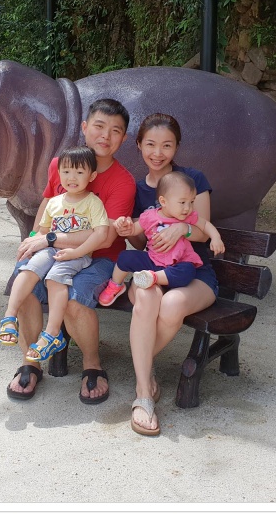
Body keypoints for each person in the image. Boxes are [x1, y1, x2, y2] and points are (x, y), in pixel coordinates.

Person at [5, 98, 136, 402]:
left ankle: (92, 365)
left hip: (102, 257)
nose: (106, 135)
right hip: (53, 248)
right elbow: (47, 204)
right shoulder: (61, 163)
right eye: (99, 126)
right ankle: (31, 361)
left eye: (115, 130)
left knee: (76, 297)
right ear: (85, 128)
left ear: (123, 138)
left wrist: (49, 240)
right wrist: (35, 237)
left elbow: (103, 237)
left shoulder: (123, 182)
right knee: (25, 282)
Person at [118, 113, 221, 436]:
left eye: (166, 145)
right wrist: (130, 228)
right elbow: (138, 239)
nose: (158, 152)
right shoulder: (137, 189)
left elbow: (203, 232)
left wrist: (179, 229)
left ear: (177, 147)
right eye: (150, 144)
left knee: (173, 304)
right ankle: (144, 395)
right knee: (147, 299)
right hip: (150, 268)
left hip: (194, 272)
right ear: (138, 146)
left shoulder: (192, 180)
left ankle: (141, 373)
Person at [0, 146, 109, 362]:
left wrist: (76, 252)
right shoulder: (55, 202)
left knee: (55, 279)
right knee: (27, 270)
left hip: (77, 254)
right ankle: (9, 318)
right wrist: (32, 241)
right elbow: (43, 231)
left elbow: (100, 234)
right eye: (66, 172)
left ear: (92, 175)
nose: (71, 177)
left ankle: (52, 333)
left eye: (79, 172)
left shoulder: (92, 202)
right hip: (51, 250)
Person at [98, 171, 224, 306]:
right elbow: (133, 229)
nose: (188, 208)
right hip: (153, 260)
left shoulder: (189, 217)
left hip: (178, 264)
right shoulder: (149, 216)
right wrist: (124, 225)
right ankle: (115, 285)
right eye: (182, 202)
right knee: (125, 257)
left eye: (191, 202)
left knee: (187, 271)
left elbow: (205, 225)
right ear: (163, 201)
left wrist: (216, 238)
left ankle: (153, 278)